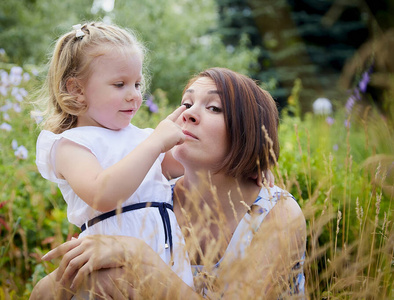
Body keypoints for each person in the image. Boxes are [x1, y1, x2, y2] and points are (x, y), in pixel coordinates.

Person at [35, 67, 307, 299]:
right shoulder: (151, 202)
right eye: (186, 104)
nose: (188, 114)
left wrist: (139, 257)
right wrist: (73, 277)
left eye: (213, 107)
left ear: (248, 132)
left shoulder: (276, 215)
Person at [31, 21, 194, 299]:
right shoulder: (71, 144)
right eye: (120, 84)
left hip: (164, 262)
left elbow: (188, 167)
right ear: (77, 90)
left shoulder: (142, 138)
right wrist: (155, 143)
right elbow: (102, 194)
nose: (134, 94)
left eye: (137, 84)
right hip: (108, 268)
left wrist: (246, 167)